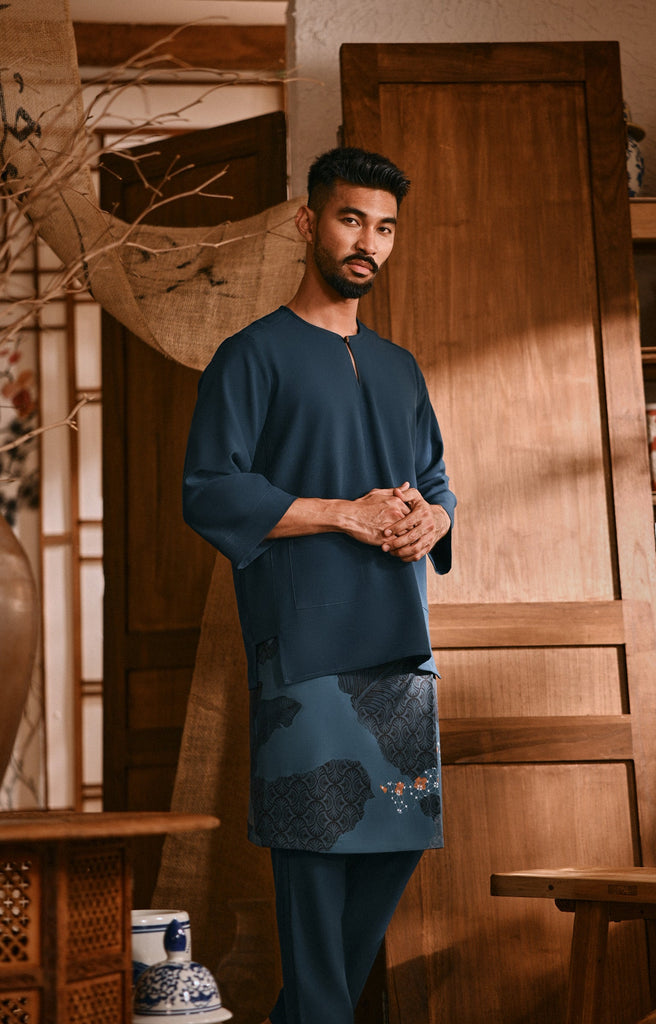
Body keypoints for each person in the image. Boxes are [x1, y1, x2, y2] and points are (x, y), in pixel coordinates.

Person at [182, 146, 456, 1024]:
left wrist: (435, 519)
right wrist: (343, 514)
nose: (368, 242)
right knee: (312, 868)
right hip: (302, 651)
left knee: (395, 848)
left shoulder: (401, 367)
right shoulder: (250, 356)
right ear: (309, 223)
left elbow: (435, 481)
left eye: (385, 228)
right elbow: (210, 490)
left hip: (400, 648)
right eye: (351, 220)